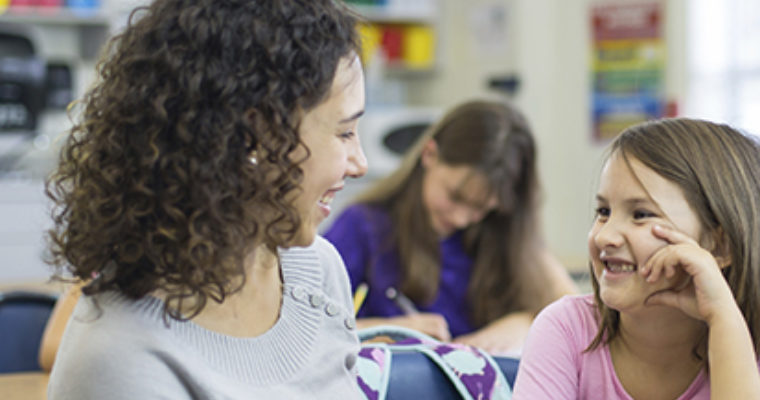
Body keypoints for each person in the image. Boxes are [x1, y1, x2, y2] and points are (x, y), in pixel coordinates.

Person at [43, 0, 368, 398]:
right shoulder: (120, 354)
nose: (360, 164)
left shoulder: (318, 269)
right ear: (256, 134)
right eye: (345, 133)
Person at [512, 118, 760, 399]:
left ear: (720, 246)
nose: (605, 236)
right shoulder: (565, 329)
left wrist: (723, 316)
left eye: (641, 215)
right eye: (603, 212)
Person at [323, 100, 576, 354]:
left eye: (480, 209)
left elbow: (575, 315)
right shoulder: (364, 226)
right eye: (455, 197)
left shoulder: (503, 231)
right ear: (429, 154)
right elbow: (305, 325)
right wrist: (387, 330)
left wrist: (526, 323)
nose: (461, 219)